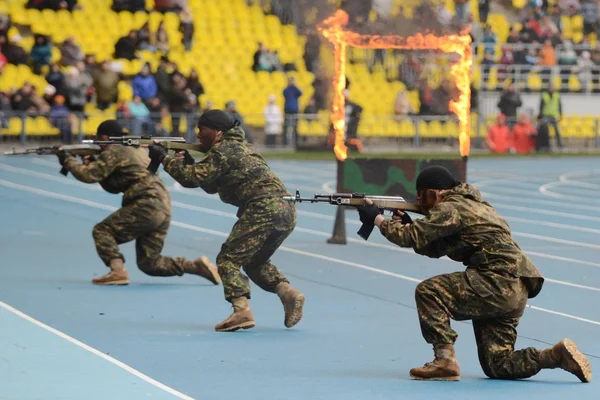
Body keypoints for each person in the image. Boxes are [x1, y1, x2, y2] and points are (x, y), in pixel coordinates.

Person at [356, 165, 592, 383]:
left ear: (435, 193)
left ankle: (444, 360)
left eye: (422, 195)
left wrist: (377, 219)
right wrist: (406, 223)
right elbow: (436, 247)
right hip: (516, 287)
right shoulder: (477, 205)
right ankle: (554, 356)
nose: (420, 201)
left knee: (428, 292)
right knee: (497, 364)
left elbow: (410, 237)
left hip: (495, 281)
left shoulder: (450, 207)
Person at [147, 109, 305, 332]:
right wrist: (189, 162)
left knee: (228, 259)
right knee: (254, 262)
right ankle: (288, 293)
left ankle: (241, 311)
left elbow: (191, 178)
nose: (199, 135)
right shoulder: (238, 148)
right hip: (286, 210)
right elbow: (209, 184)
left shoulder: (222, 151)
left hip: (263, 207)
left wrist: (164, 158)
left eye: (203, 130)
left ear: (218, 132)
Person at [56, 119, 221, 287]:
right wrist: (92, 163)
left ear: (104, 137)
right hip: (161, 203)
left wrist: (68, 161)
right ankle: (194, 266)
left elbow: (88, 176)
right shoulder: (135, 150)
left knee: (102, 231)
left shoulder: (115, 150)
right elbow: (114, 185)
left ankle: (117, 271)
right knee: (149, 262)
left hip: (146, 202)